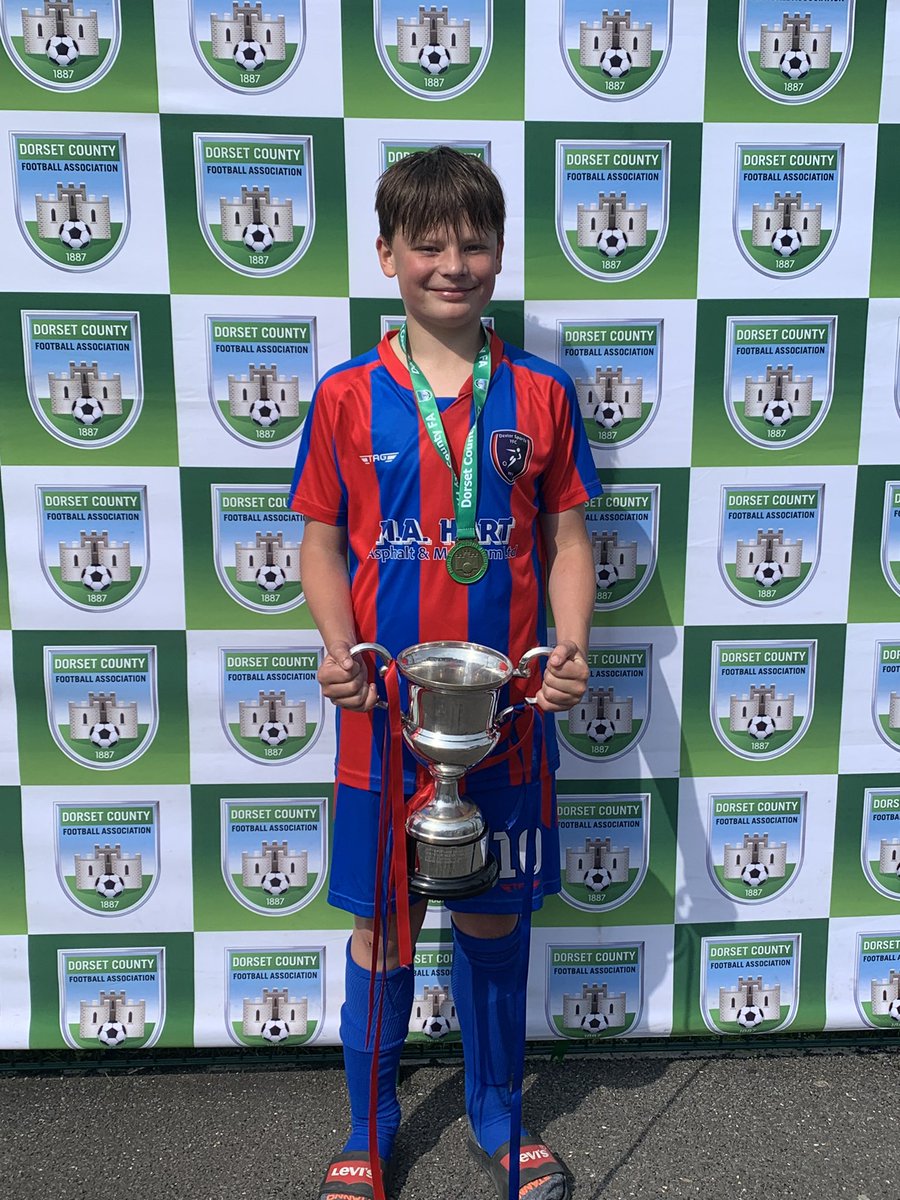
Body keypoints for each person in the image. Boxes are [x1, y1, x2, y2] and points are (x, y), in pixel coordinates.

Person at [289, 146, 601, 1200]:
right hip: (385, 721)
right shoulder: (343, 398)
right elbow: (322, 544)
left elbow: (565, 541)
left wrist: (567, 648)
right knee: (382, 925)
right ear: (388, 255)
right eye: (428, 244)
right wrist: (340, 652)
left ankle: (500, 1120)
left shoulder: (544, 395)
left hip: (503, 721)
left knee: (492, 917)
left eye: (474, 242)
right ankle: (368, 1136)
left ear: (500, 252)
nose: (453, 263)